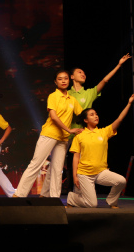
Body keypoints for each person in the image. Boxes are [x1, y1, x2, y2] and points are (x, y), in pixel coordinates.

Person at [40, 54, 131, 196]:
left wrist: (119, 64)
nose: (83, 74)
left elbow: (105, 80)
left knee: (80, 166)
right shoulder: (66, 93)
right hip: (65, 133)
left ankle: (78, 196)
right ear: (71, 77)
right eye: (79, 72)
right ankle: (45, 193)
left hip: (82, 134)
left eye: (84, 73)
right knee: (56, 164)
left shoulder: (89, 93)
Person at [14, 70, 83, 198]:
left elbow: (83, 115)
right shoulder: (53, 96)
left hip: (63, 139)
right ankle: (19, 194)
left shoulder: (72, 100)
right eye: (60, 79)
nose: (63, 81)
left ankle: (54, 198)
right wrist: (69, 130)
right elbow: (54, 117)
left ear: (69, 80)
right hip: (49, 134)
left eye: (66, 78)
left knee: (57, 169)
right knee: (36, 164)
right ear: (55, 82)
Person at [66, 95, 133, 208]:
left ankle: (111, 201)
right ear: (86, 120)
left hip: (101, 172)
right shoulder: (79, 136)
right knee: (92, 204)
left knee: (121, 181)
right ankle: (72, 198)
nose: (96, 116)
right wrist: (75, 176)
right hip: (84, 174)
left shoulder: (103, 132)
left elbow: (119, 119)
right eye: (92, 115)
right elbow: (76, 157)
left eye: (96, 114)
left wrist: (129, 103)